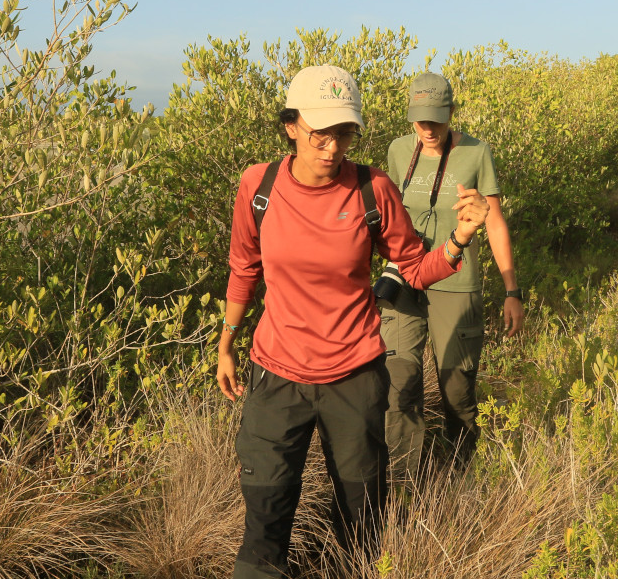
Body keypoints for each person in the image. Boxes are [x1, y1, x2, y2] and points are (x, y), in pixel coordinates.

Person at [217, 65, 490, 579]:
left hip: (357, 377)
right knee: (264, 527)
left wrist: (458, 241)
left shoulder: (373, 190)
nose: (332, 147)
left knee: (361, 526)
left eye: (344, 132)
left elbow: (412, 268)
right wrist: (227, 341)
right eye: (321, 131)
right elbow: (244, 268)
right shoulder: (259, 186)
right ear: (291, 125)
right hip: (276, 376)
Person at [380, 71, 524, 482]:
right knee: (398, 386)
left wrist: (511, 289)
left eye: (437, 120)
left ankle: (459, 476)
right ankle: (403, 485)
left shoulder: (477, 154)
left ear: (452, 113)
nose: (428, 129)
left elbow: (494, 224)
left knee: (457, 391)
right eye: (420, 120)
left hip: (456, 283)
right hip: (405, 279)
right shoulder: (397, 150)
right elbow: (387, 217)